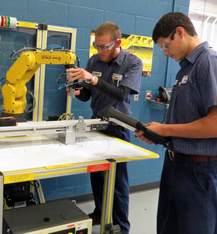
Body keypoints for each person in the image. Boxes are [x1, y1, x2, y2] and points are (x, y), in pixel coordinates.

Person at [135, 12, 217, 234]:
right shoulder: (184, 69)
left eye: (165, 46)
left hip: (199, 171)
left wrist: (165, 129)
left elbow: (215, 124)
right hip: (175, 165)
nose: (165, 53)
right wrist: (161, 136)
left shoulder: (208, 61)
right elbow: (188, 121)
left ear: (179, 32)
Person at [66, 22, 142, 234]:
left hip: (118, 126)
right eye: (96, 46)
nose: (99, 51)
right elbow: (89, 94)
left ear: (117, 42)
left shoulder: (132, 63)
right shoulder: (94, 60)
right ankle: (100, 212)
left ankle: (121, 226)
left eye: (104, 46)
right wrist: (78, 92)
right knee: (97, 174)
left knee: (118, 182)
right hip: (95, 123)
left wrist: (92, 78)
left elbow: (122, 94)